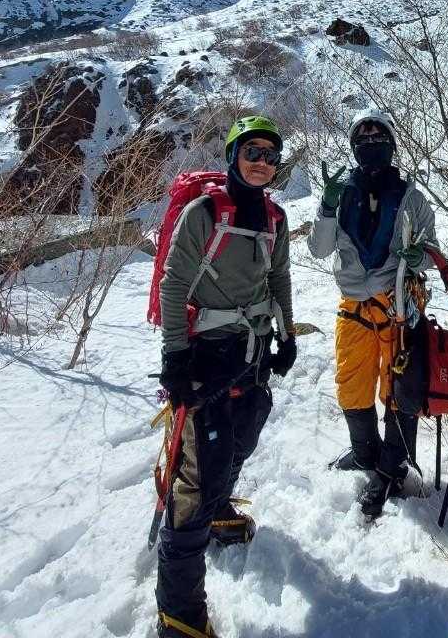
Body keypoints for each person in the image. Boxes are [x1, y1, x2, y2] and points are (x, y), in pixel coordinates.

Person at [155, 116, 298, 638]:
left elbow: (279, 277)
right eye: (251, 151)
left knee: (243, 439)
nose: (261, 162)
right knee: (197, 482)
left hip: (252, 353)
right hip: (205, 358)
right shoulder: (205, 213)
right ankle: (179, 615)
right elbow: (174, 285)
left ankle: (216, 511)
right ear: (233, 155)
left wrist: (287, 334)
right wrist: (176, 358)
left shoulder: (275, 218)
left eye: (269, 155)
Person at [308, 107, 439, 519]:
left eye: (378, 138)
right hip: (353, 307)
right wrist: (326, 207)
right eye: (362, 140)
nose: (370, 145)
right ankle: (365, 453)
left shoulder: (411, 197)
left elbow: (432, 252)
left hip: (397, 305)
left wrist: (419, 256)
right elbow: (319, 249)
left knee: (399, 387)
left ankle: (393, 466)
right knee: (351, 383)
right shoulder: (340, 194)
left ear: (391, 145)